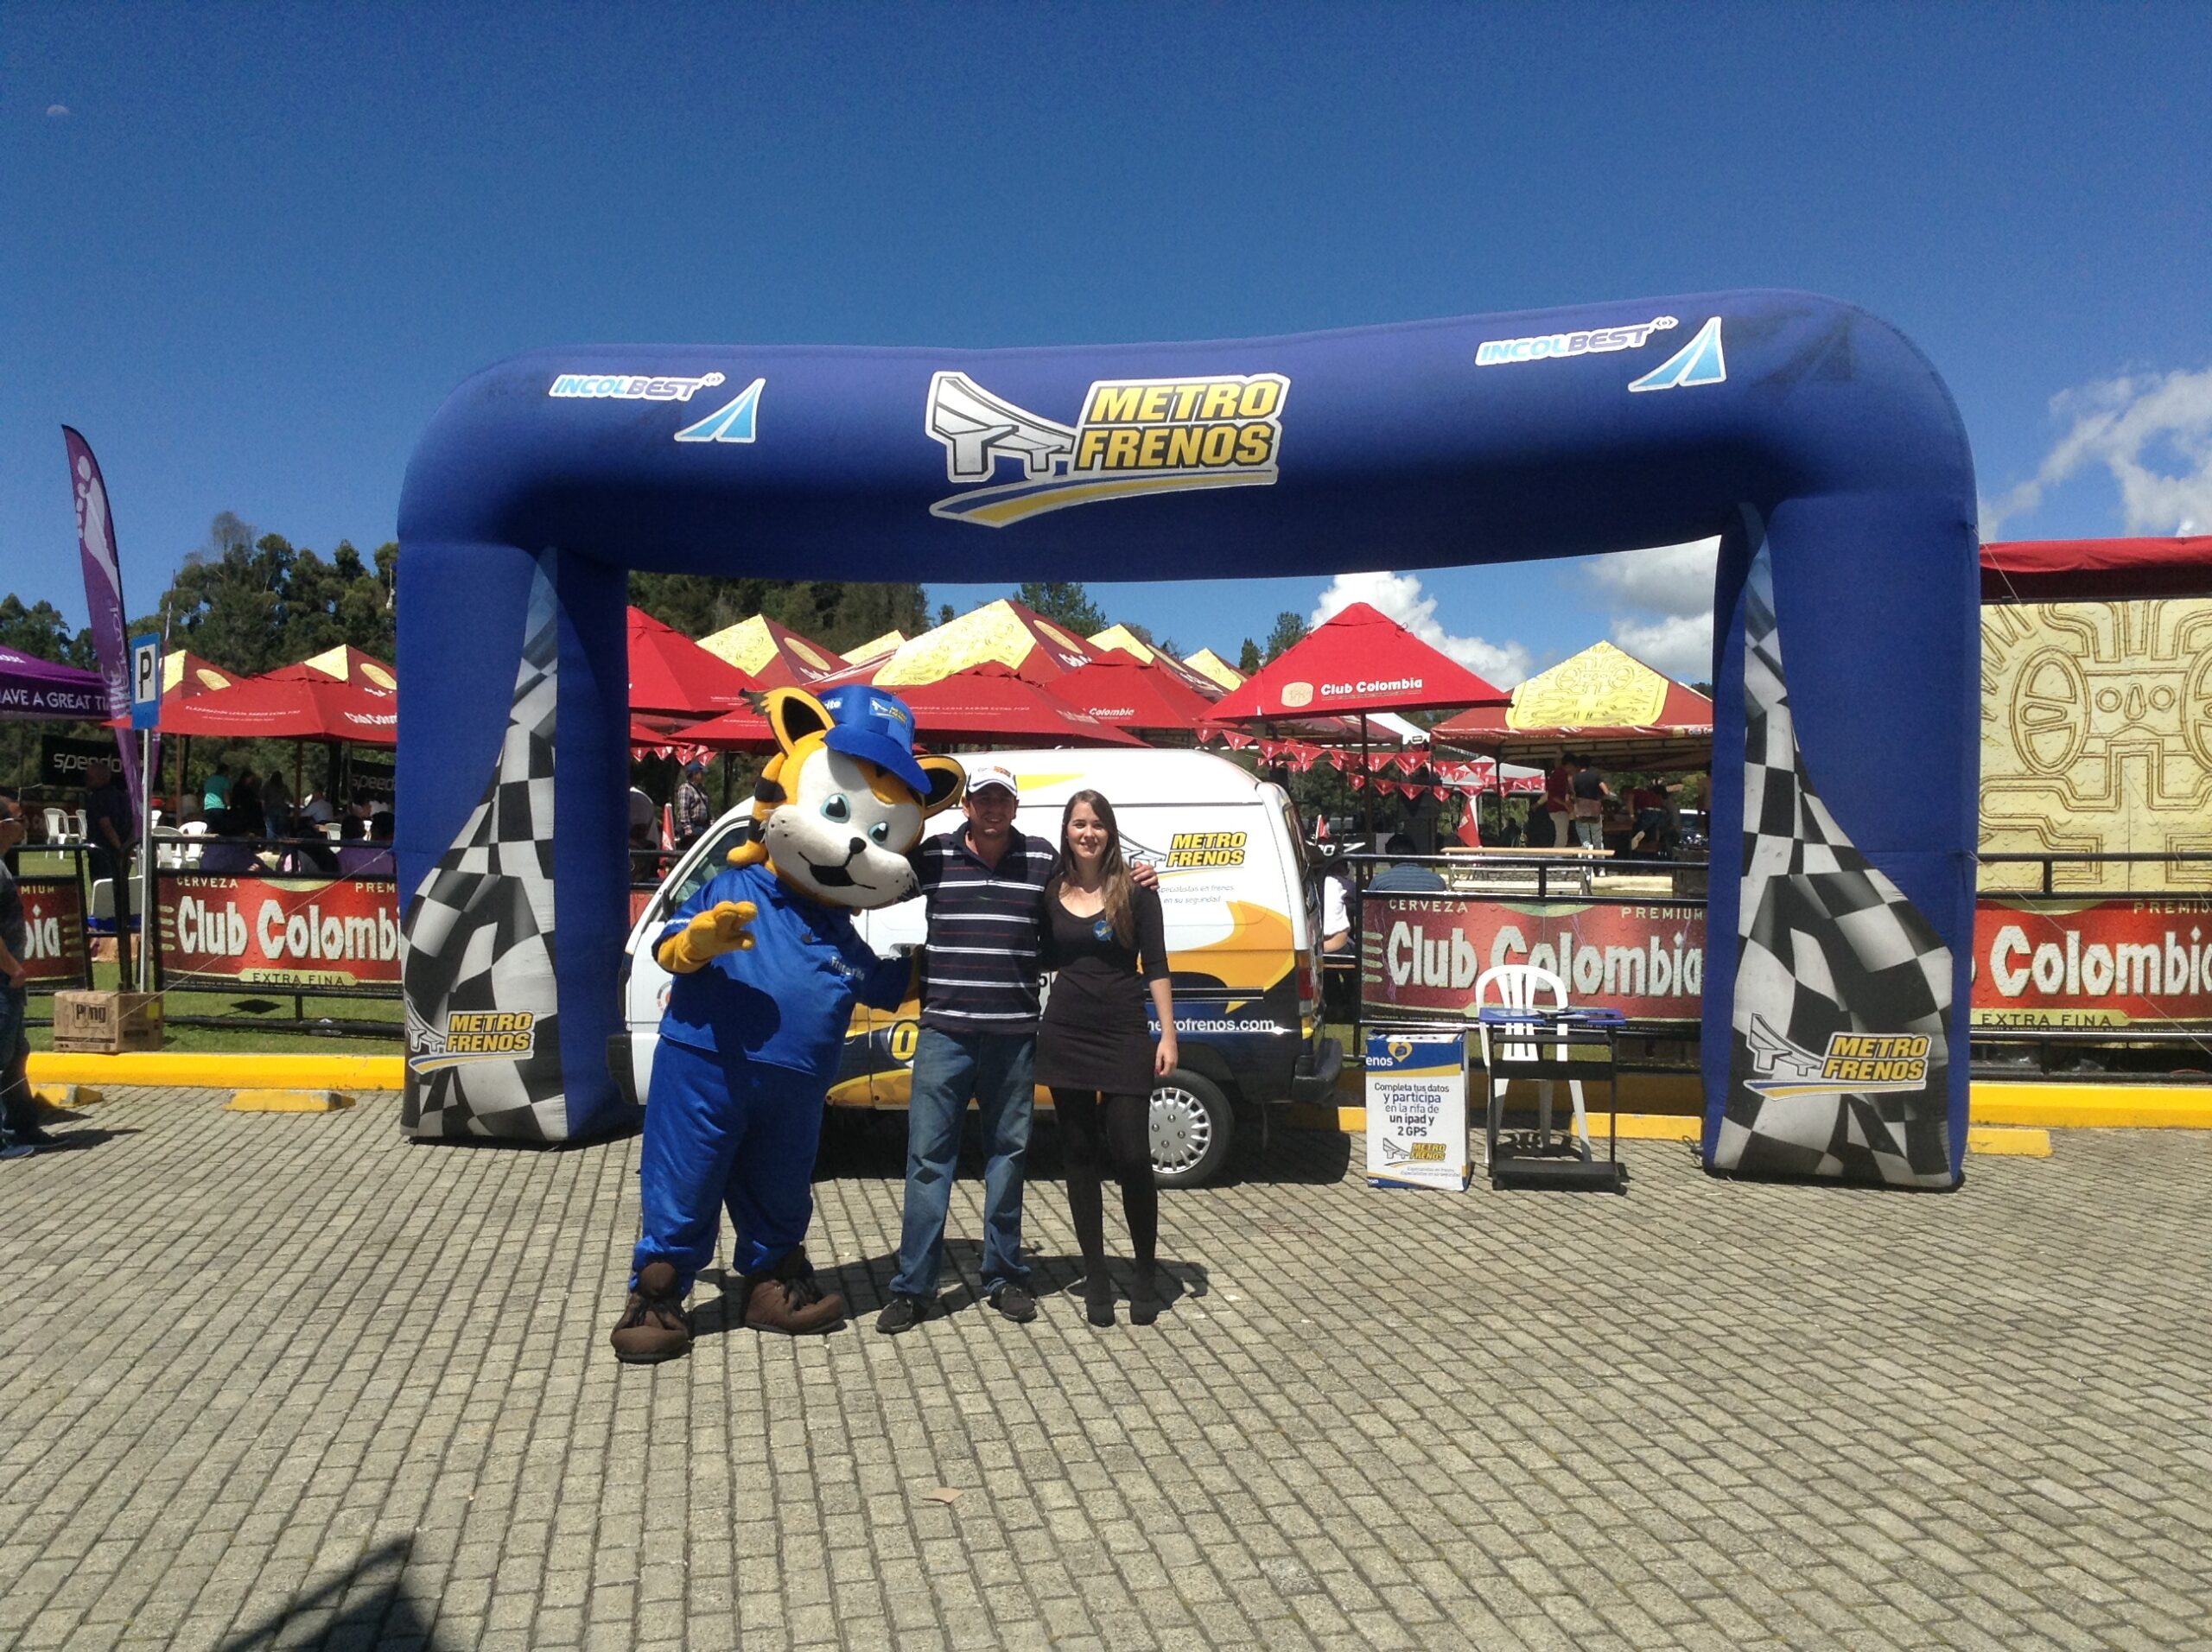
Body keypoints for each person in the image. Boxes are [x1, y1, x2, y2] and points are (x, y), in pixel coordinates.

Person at [877, 762, 1157, 1335]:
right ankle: (913, 1287)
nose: (993, 808)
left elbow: (1091, 877)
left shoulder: (1039, 860)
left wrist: (1137, 875)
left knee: (1008, 1159)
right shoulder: (933, 857)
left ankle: (1004, 1275)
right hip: (945, 1033)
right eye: (983, 798)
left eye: (1002, 799)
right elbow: (873, 878)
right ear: (966, 806)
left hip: (1013, 1035)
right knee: (928, 1162)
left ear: (1015, 806)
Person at [1034, 791, 1176, 1326]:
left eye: (1097, 824)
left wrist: (1168, 1034)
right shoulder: (1051, 892)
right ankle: (1095, 1274)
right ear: (1066, 832)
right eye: (1078, 824)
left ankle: (1145, 1273)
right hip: (1066, 1033)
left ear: (1110, 832)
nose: (1087, 833)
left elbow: (1156, 965)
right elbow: (1036, 955)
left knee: (1133, 1155)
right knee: (1078, 1155)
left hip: (1123, 1033)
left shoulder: (1136, 891)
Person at [0, 800, 54, 1155]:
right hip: (4, 977)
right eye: (18, 819)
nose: (25, 824)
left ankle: (22, 1127)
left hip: (8, 979)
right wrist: (13, 968)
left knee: (16, 1054)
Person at [82, 758, 136, 974]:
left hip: (103, 853)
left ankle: (105, 940)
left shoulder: (96, 798)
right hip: (123, 851)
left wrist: (119, 848)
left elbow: (105, 825)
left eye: (88, 777)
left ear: (98, 778)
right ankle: (120, 933)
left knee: (103, 895)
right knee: (120, 894)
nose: (86, 782)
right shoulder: (123, 796)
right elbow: (133, 824)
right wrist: (127, 848)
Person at [1367, 833, 1447, 893]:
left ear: (1390, 857)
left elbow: (1369, 908)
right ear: (1415, 854)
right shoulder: (1437, 881)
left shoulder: (1379, 882)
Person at [1569, 757, 1611, 850]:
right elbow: (1606, 792)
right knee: (1598, 840)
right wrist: (1599, 800)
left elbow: (1572, 796)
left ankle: (1587, 858)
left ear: (1578, 765)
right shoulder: (1596, 776)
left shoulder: (1574, 778)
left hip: (1580, 811)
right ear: (1590, 765)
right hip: (1595, 811)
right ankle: (1600, 858)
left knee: (1585, 841)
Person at [674, 758, 712, 851]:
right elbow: (684, 809)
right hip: (692, 827)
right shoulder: (686, 788)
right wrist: (687, 827)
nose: (703, 776)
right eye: (701, 773)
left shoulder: (702, 789)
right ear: (694, 774)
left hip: (703, 826)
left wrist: (712, 823)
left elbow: (708, 809)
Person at [1542, 754, 1573, 849]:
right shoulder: (1559, 775)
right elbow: (1553, 794)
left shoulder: (1560, 774)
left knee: (1562, 836)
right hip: (1558, 809)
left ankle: (1557, 855)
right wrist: (1565, 804)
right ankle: (1556, 856)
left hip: (1558, 809)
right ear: (1569, 764)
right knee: (1562, 837)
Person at [261, 767, 294, 840]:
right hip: (282, 810)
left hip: (270, 809)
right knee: (280, 830)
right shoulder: (284, 787)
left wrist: (263, 810)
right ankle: (279, 844)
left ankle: (271, 844)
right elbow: (290, 799)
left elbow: (262, 799)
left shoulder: (267, 786)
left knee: (271, 829)